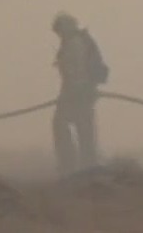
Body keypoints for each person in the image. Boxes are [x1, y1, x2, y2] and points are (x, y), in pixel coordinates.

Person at [50, 11, 109, 175]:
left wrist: (74, 91)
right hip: (79, 92)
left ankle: (74, 166)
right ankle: (84, 165)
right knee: (81, 128)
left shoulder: (74, 44)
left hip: (78, 93)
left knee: (66, 125)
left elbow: (76, 71)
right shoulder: (76, 42)